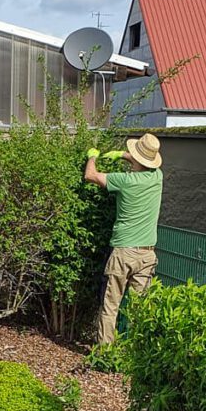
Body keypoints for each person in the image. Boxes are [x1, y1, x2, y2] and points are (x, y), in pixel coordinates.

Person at [85, 133, 163, 345]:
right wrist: (124, 155)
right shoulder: (158, 178)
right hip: (147, 254)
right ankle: (136, 353)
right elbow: (143, 163)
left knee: (111, 305)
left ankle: (105, 353)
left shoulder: (124, 180)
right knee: (140, 309)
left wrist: (92, 156)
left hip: (122, 252)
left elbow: (90, 176)